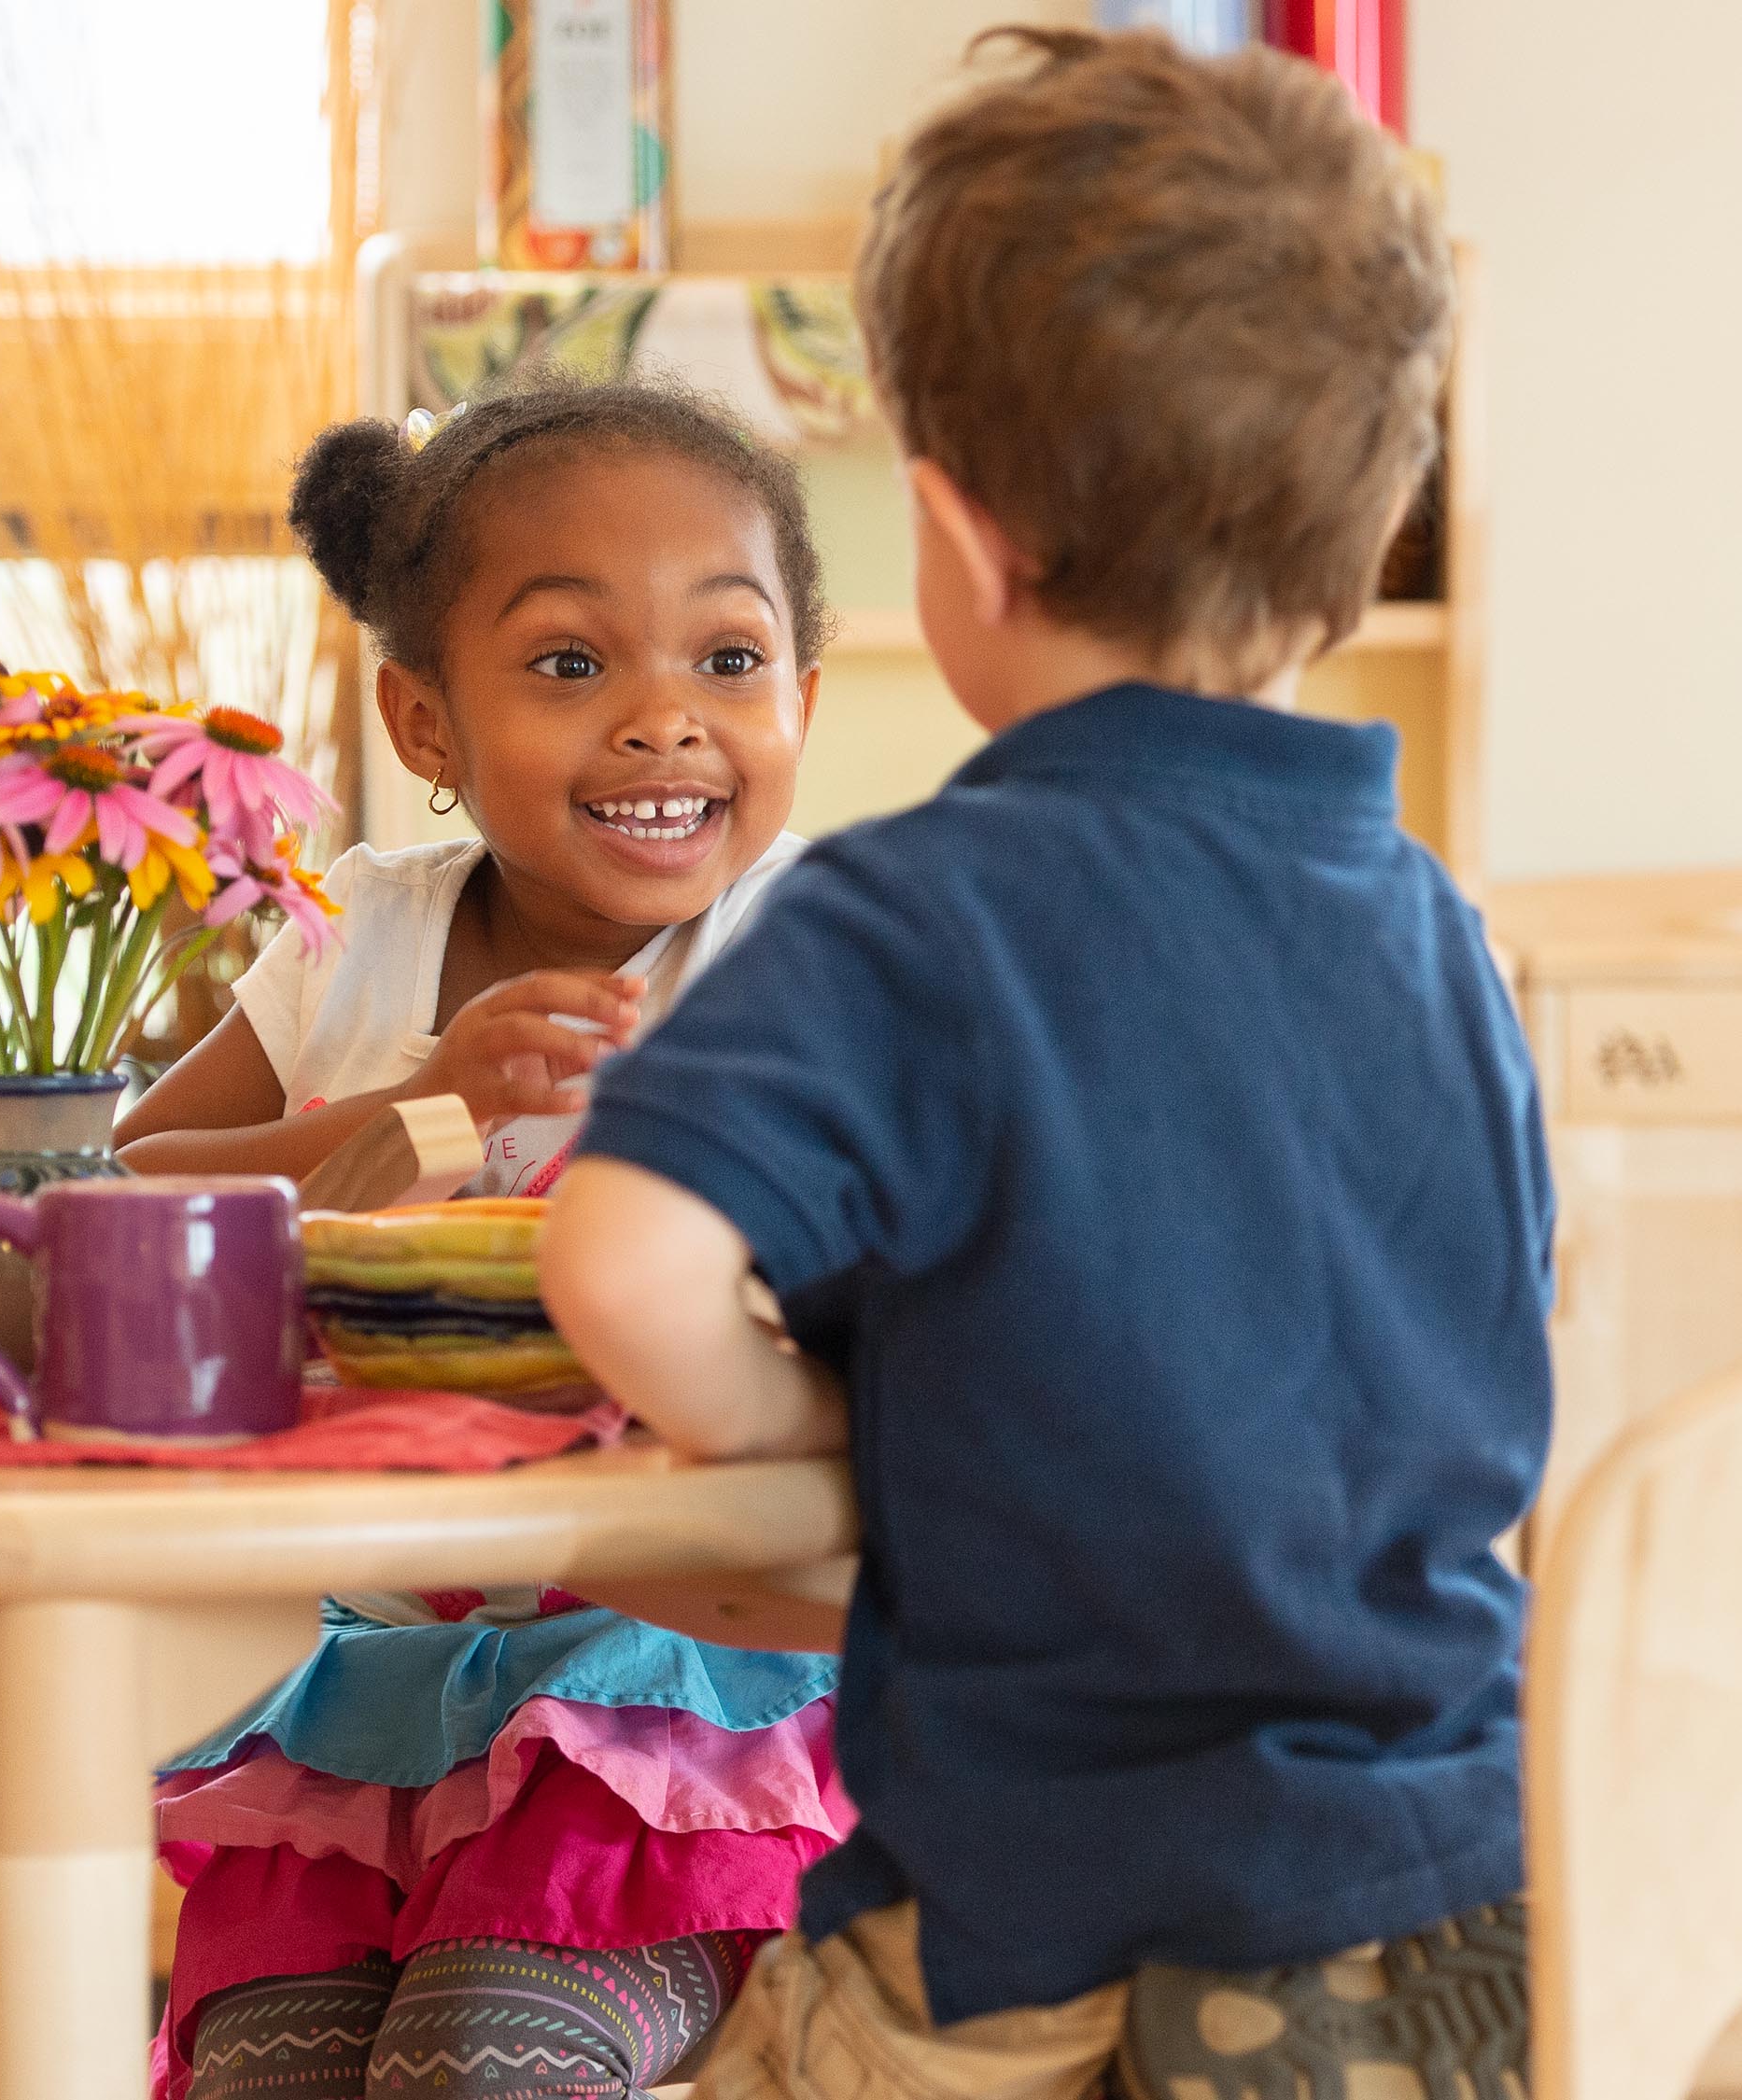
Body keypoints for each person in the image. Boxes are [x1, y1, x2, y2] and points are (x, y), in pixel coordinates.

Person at [540, 30, 1552, 2100]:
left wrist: (791, 1404)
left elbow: (619, 1264)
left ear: (955, 538)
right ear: (1363, 534)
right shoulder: (1447, 936)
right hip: (1464, 1931)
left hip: (1037, 1960)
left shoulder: (910, 917)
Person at [118, 375, 850, 2100]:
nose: (666, 722)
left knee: (474, 2075)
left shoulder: (815, 953)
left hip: (671, 1706)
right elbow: (124, 1191)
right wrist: (414, 1112)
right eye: (573, 662)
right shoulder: (357, 946)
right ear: (425, 719)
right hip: (353, 1707)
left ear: (804, 699)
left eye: (729, 662)